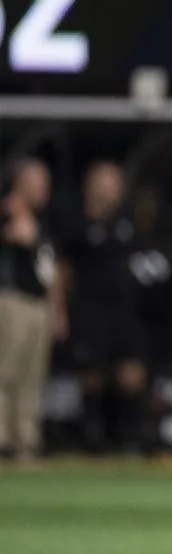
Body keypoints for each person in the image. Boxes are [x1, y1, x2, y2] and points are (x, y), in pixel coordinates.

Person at [58, 161, 149, 454]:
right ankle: (93, 439)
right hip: (89, 310)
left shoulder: (126, 224)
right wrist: (60, 309)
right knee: (91, 376)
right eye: (108, 184)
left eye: (117, 184)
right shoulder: (75, 225)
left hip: (123, 311)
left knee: (131, 373)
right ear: (91, 186)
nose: (114, 191)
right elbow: (62, 271)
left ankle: (129, 438)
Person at [0, 158, 65, 464]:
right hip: (11, 301)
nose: (44, 190)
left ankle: (26, 442)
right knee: (4, 373)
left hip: (39, 305)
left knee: (31, 377)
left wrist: (57, 309)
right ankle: (2, 440)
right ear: (20, 183)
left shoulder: (43, 221)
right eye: (38, 183)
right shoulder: (6, 213)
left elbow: (50, 269)